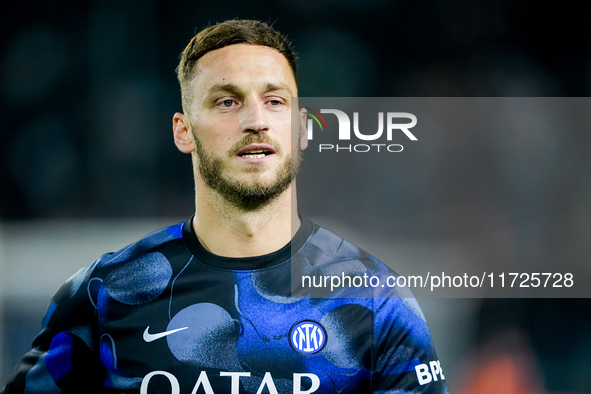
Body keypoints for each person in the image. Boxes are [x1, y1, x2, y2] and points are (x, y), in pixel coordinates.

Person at [2, 20, 448, 394]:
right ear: (183, 131)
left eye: (274, 101)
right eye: (227, 102)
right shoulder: (108, 293)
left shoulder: (376, 300)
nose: (255, 120)